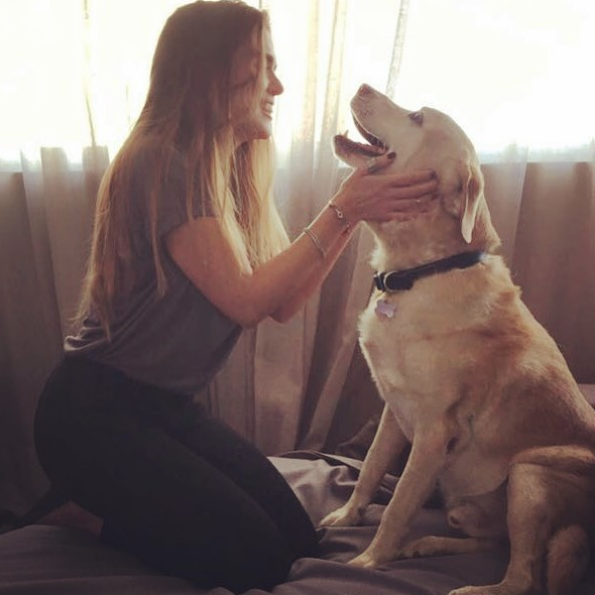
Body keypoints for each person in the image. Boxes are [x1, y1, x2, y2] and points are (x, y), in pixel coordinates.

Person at [24, 1, 437, 592]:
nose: (277, 86)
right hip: (92, 413)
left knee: (296, 539)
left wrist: (353, 215)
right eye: (262, 65)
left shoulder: (225, 170)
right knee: (255, 560)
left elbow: (280, 305)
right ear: (211, 72)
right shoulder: (161, 161)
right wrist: (343, 208)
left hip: (163, 408)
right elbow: (244, 302)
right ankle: (82, 515)